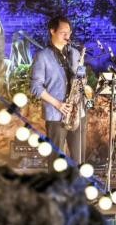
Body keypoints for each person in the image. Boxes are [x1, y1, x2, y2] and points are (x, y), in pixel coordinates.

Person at [30, 16, 87, 164]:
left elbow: (81, 79)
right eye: (63, 32)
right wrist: (58, 104)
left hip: (77, 112)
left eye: (69, 32)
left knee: (79, 160)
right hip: (56, 114)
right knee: (56, 161)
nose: (67, 36)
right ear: (52, 31)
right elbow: (35, 87)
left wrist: (82, 80)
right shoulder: (42, 56)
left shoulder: (75, 54)